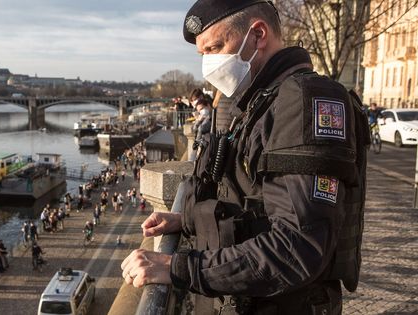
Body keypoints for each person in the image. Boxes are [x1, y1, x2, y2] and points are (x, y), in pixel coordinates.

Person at [120, 1, 368, 314]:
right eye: (203, 54)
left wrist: (178, 267)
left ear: (258, 34)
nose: (208, 64)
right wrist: (188, 221)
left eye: (215, 47)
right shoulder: (260, 100)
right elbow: (247, 203)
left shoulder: (302, 104)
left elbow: (298, 246)